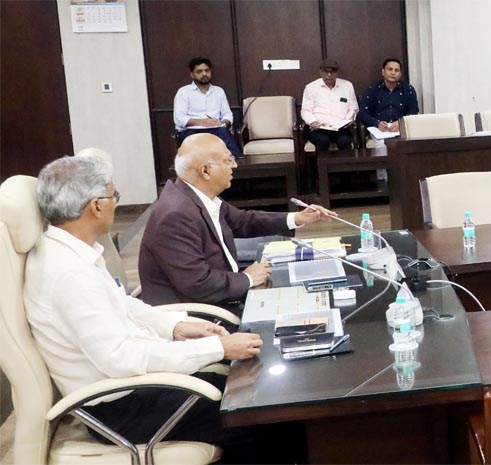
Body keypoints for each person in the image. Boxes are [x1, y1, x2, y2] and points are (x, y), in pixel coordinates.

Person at [24, 156, 263, 450]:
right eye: (114, 196)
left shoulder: (69, 252)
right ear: (96, 206)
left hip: (135, 388)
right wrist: (217, 348)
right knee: (256, 415)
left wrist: (176, 326)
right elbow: (121, 358)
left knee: (248, 387)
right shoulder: (69, 274)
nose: (116, 203)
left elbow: (121, 304)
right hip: (122, 408)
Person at [138, 133, 335, 308]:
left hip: (223, 292)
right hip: (198, 316)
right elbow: (198, 284)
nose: (235, 165)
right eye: (228, 160)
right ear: (205, 171)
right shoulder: (175, 216)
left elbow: (242, 221)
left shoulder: (195, 196)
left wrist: (298, 218)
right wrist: (247, 278)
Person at [173, 57, 243, 158]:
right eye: (199, 71)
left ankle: (236, 163)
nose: (204, 74)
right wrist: (202, 122)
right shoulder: (183, 92)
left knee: (233, 152)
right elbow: (179, 118)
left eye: (207, 70)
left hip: (217, 130)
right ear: (192, 74)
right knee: (200, 158)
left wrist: (223, 122)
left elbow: (227, 113)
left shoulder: (219, 91)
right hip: (192, 131)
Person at [301, 59, 359, 151]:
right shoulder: (311, 87)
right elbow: (305, 111)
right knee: (323, 141)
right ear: (320, 72)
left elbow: (353, 108)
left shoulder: (347, 86)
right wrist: (312, 121)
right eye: (326, 72)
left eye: (332, 72)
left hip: (341, 128)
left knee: (344, 141)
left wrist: (347, 120)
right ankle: (322, 162)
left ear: (337, 73)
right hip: (319, 128)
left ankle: (345, 161)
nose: (329, 75)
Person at [357, 58, 419, 134]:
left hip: (401, 129)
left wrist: (401, 123)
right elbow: (362, 114)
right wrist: (377, 123)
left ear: (400, 74)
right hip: (379, 130)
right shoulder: (372, 90)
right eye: (390, 69)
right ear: (383, 72)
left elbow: (414, 111)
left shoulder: (408, 90)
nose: (393, 73)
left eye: (396, 70)